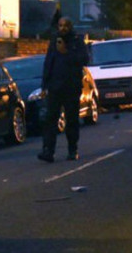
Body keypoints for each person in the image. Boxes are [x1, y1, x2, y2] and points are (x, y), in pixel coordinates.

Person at [38, 18, 89, 163]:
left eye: (65, 25)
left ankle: (73, 150)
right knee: (50, 119)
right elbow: (48, 63)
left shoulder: (77, 41)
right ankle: (48, 151)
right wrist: (44, 85)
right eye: (60, 25)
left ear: (70, 26)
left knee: (71, 119)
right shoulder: (55, 41)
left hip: (71, 87)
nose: (63, 28)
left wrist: (66, 52)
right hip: (55, 87)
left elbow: (84, 60)